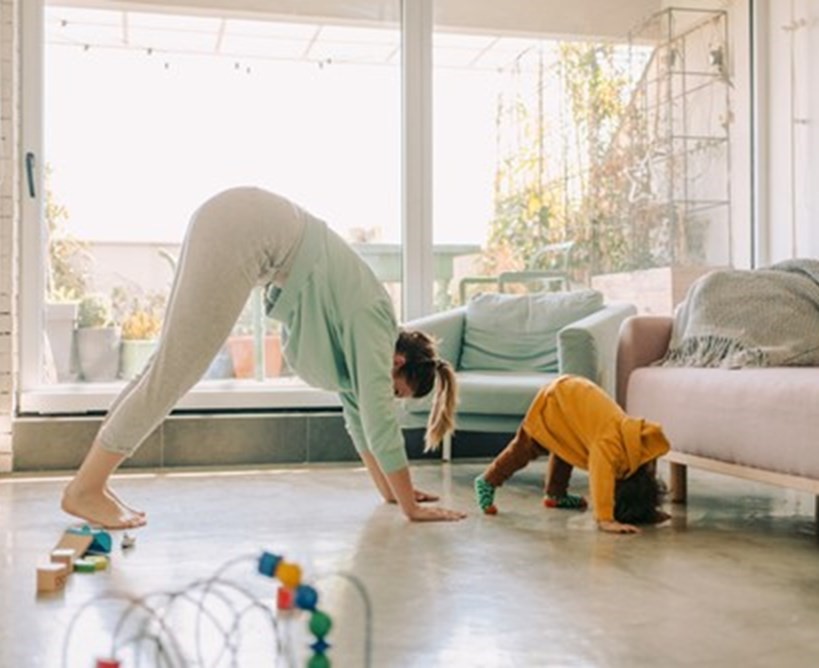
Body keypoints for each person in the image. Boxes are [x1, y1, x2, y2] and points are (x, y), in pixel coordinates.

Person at [61, 187, 466, 528]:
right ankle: (87, 488)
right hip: (242, 230)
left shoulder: (362, 321)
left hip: (233, 219)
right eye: (395, 391)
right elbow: (378, 420)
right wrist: (411, 508)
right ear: (398, 362)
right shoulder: (375, 322)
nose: (385, 393)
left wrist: (395, 493)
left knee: (164, 365)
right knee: (175, 371)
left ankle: (92, 483)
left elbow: (359, 418)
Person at [473, 374, 670, 533]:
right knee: (526, 447)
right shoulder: (609, 445)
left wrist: (650, 511)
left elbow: (649, 463)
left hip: (572, 394)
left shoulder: (634, 442)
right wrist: (605, 518)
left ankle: (556, 495)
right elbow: (601, 477)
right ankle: (488, 480)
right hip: (555, 399)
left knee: (569, 446)